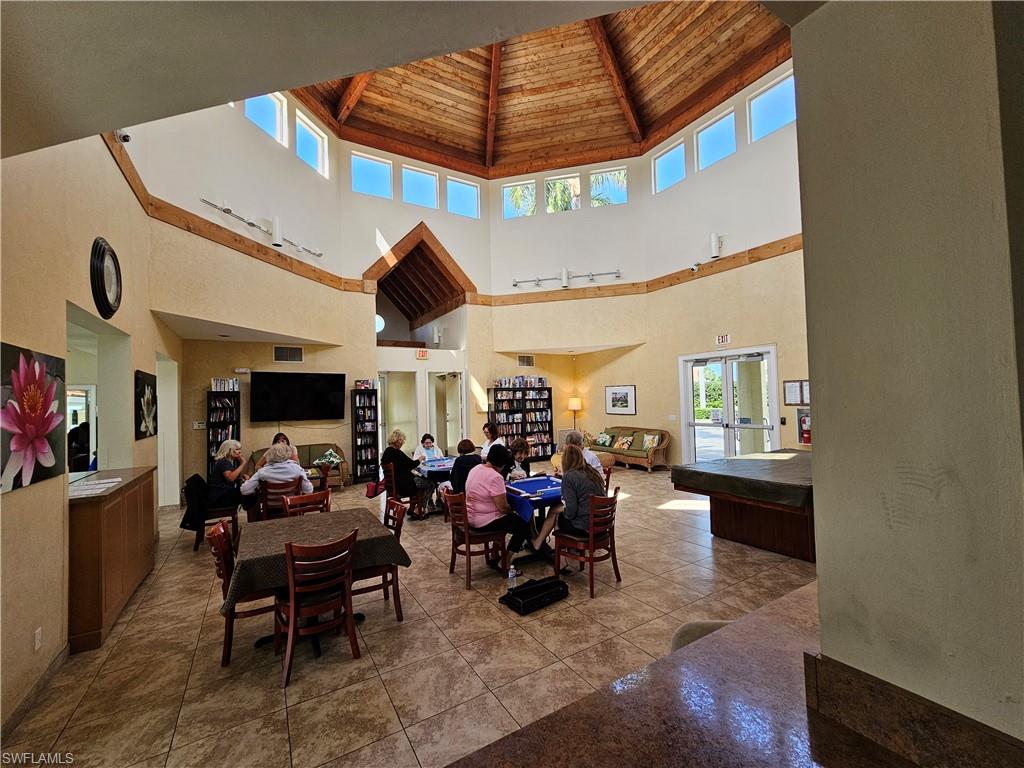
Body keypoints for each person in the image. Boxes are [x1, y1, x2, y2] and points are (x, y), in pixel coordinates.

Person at [464, 443, 530, 569]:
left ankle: (495, 553)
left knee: (507, 520)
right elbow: (503, 508)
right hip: (485, 521)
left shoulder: (475, 469)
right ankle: (506, 562)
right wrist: (514, 510)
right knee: (523, 524)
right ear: (502, 464)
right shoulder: (495, 477)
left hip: (470, 516)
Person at [531, 444, 606, 548]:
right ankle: (556, 546)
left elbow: (570, 512)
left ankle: (550, 546)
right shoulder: (592, 472)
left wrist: (561, 510)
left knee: (556, 514)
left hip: (586, 526)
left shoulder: (569, 477)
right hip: (603, 523)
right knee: (556, 510)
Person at [381, 429, 432, 515]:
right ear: (398, 441)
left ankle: (413, 508)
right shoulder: (397, 453)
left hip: (393, 485)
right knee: (430, 483)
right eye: (402, 441)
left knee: (421, 481)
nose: (403, 443)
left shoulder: (386, 452)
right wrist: (419, 459)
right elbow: (411, 464)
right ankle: (418, 509)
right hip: (404, 485)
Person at [208, 439, 254, 509]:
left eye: (239, 449)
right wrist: (243, 463)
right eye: (236, 449)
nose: (239, 452)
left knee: (248, 493)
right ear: (229, 450)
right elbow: (230, 478)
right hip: (220, 496)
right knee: (250, 493)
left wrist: (240, 478)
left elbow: (228, 478)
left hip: (220, 494)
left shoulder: (225, 461)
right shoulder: (225, 462)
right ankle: (254, 517)